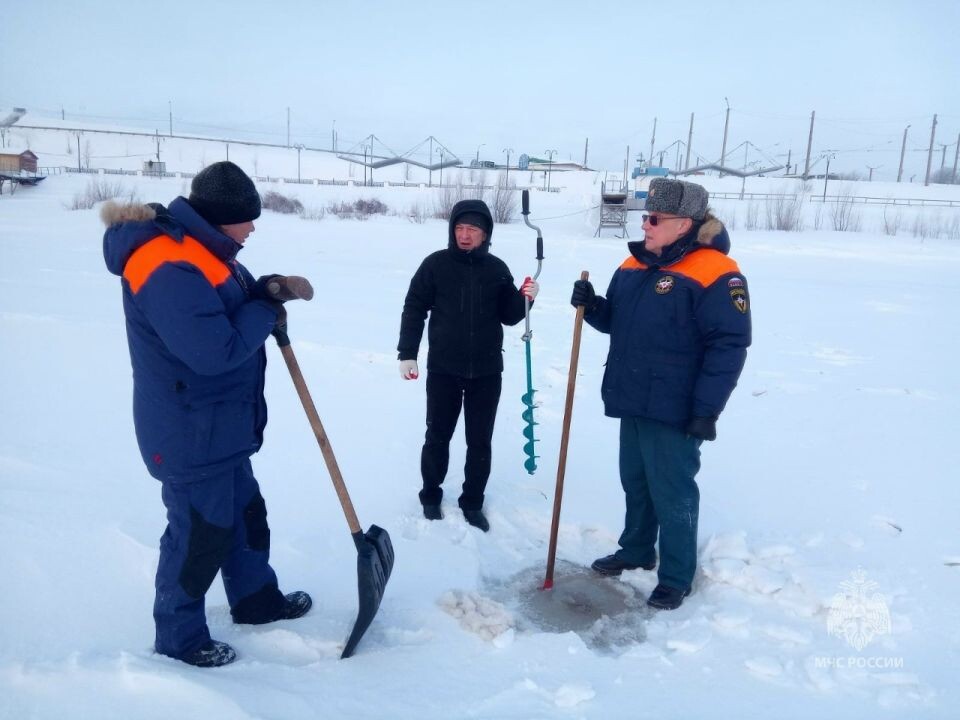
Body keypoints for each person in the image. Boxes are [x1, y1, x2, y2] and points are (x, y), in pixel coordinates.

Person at [102, 161, 314, 667]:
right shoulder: (165, 264)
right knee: (199, 534)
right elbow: (212, 351)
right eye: (248, 218)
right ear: (222, 217)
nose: (253, 228)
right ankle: (179, 638)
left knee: (245, 514)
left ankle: (255, 600)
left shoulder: (204, 251)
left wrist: (263, 290)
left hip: (220, 424)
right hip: (188, 430)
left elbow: (223, 303)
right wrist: (264, 311)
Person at [570, 177, 751, 610]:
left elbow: (729, 345)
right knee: (636, 481)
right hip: (633, 394)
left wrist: (706, 410)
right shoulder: (634, 266)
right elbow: (619, 322)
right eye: (644, 216)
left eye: (654, 218)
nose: (645, 225)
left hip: (676, 405)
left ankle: (676, 575)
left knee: (672, 491)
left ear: (684, 224)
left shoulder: (716, 272)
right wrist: (594, 307)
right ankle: (635, 549)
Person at [397, 199, 539, 532]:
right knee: (437, 436)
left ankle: (472, 502)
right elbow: (414, 308)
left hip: (487, 371)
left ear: (485, 233)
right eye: (460, 228)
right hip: (444, 368)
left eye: (472, 230)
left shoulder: (497, 268)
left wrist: (526, 298)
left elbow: (509, 316)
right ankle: (431, 496)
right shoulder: (435, 265)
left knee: (479, 441)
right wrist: (407, 352)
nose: (465, 235)